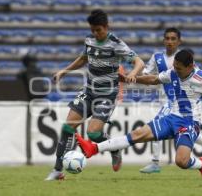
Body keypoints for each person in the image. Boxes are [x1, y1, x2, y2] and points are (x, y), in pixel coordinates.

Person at [76, 49, 202, 179]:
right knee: (137, 134)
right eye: (175, 67)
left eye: (179, 68)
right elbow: (154, 79)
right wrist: (131, 79)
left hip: (189, 123)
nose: (175, 71)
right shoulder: (174, 72)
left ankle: (201, 164)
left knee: (181, 161)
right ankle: (93, 148)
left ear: (190, 66)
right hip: (171, 118)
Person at [45, 9, 145, 181]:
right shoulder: (89, 40)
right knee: (67, 127)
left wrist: (133, 73)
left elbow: (139, 62)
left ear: (106, 27)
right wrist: (64, 71)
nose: (95, 33)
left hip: (107, 95)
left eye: (98, 30)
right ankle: (57, 170)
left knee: (92, 134)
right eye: (93, 30)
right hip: (89, 91)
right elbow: (83, 59)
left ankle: (114, 148)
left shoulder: (116, 43)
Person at [139, 28, 202, 174]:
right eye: (167, 39)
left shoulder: (184, 58)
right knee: (177, 131)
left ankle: (155, 162)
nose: (170, 42)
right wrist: (141, 77)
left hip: (175, 101)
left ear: (179, 41)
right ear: (164, 40)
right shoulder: (156, 57)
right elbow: (147, 75)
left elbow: (196, 80)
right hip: (162, 98)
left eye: (173, 39)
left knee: (157, 123)